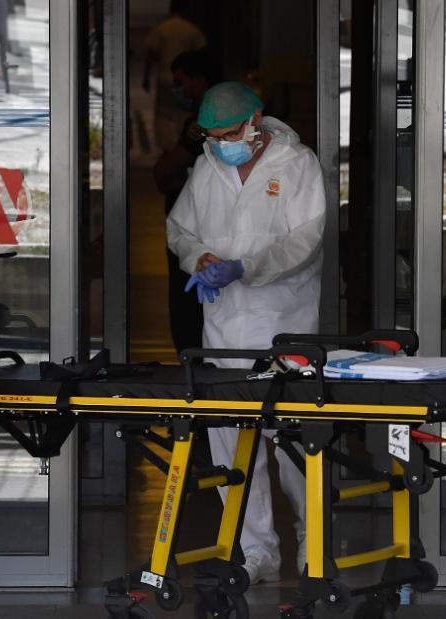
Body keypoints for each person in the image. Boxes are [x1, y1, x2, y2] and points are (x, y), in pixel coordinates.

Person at [166, 81, 325, 584]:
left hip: (286, 325)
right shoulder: (207, 167)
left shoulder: (297, 165)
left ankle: (312, 543)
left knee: (295, 442)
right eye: (210, 136)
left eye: (229, 134)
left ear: (256, 121)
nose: (220, 144)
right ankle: (255, 550)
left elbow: (307, 239)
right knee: (231, 444)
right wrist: (201, 258)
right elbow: (180, 230)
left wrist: (247, 266)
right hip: (224, 330)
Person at [153, 50, 215, 353]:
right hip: (192, 225)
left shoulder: (204, 120)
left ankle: (191, 354)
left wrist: (160, 170)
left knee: (187, 297)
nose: (182, 91)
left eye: (183, 82)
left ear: (200, 80)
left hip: (198, 224)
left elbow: (172, 165)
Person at [143, 0, 207, 152]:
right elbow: (202, 53)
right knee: (183, 113)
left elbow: (151, 55)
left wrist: (146, 77)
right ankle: (181, 144)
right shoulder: (191, 30)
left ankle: (166, 147)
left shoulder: (161, 29)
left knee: (163, 114)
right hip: (186, 80)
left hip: (165, 78)